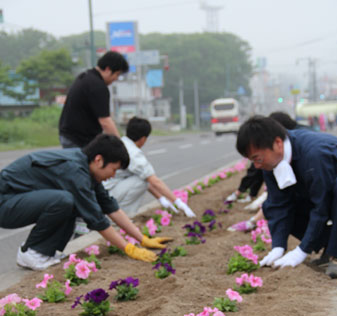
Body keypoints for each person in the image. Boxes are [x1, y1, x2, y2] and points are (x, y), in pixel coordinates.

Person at [0, 134, 171, 271]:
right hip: (5, 204)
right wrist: (128, 249)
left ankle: (43, 252)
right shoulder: (75, 172)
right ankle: (31, 252)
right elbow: (98, 220)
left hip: (16, 201)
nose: (113, 175)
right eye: (114, 170)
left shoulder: (85, 167)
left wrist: (142, 239)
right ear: (99, 160)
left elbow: (109, 205)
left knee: (70, 202)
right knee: (65, 200)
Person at [236, 115, 337, 278]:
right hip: (331, 204)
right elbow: (278, 204)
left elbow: (321, 205)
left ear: (277, 143)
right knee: (271, 207)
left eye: (258, 158)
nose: (257, 165)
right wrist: (278, 247)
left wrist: (301, 251)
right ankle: (330, 248)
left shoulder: (314, 154)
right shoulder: (272, 164)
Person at [104, 117, 196, 218]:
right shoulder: (133, 153)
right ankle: (121, 216)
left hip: (105, 191)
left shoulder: (123, 143)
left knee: (142, 178)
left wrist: (161, 199)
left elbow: (147, 178)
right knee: (142, 181)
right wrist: (178, 202)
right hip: (109, 193)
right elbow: (154, 181)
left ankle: (117, 214)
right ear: (143, 139)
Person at [227, 112, 299, 232]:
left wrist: (254, 220)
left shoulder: (299, 150)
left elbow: (280, 199)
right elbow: (257, 174)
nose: (257, 165)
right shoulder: (272, 156)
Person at [59, 51, 129, 148]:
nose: (116, 79)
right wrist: (121, 146)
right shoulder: (98, 86)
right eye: (117, 74)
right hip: (79, 139)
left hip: (69, 134)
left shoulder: (85, 76)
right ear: (108, 69)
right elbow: (105, 122)